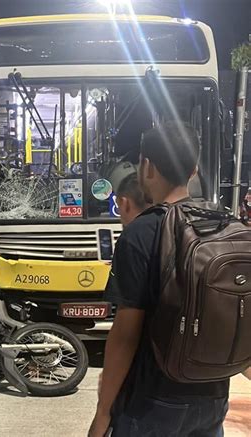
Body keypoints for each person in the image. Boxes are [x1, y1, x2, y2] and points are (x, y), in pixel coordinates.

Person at [89, 122, 229, 437]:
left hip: (155, 400)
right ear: (193, 171)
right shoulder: (223, 223)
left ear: (147, 167)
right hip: (214, 394)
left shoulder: (141, 232)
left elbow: (125, 336)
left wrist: (102, 413)